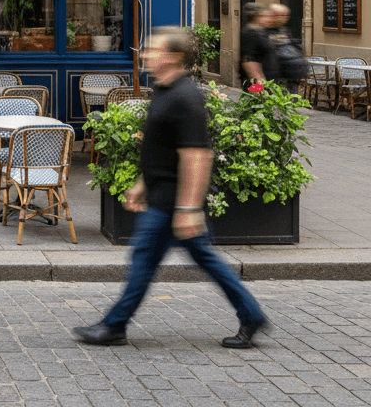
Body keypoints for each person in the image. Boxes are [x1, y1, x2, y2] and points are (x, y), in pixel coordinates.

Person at [72, 26, 267, 349]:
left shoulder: (185, 97)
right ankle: (251, 314)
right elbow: (160, 147)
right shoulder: (165, 90)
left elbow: (197, 156)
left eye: (154, 50)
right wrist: (141, 184)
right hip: (164, 195)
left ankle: (114, 326)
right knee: (195, 260)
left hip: (173, 201)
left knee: (146, 259)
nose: (146, 54)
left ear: (173, 57)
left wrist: (188, 208)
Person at [240, 3, 278, 86]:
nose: (269, 19)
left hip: (269, 80)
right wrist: (262, 85)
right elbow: (249, 61)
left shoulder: (262, 31)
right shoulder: (249, 33)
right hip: (260, 84)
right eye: (266, 16)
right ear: (256, 17)